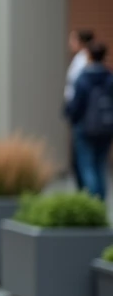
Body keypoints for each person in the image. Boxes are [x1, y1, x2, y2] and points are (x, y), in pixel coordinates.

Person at [66, 41, 113, 200]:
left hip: (84, 127)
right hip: (106, 127)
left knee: (87, 165)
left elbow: (76, 105)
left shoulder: (83, 78)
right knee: (100, 165)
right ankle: (101, 203)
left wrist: (70, 116)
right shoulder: (109, 78)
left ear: (90, 57)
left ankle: (92, 202)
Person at [65, 29, 95, 186]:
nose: (70, 43)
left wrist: (71, 111)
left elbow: (79, 91)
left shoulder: (83, 62)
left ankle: (88, 199)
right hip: (85, 117)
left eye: (72, 40)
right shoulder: (82, 60)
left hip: (82, 117)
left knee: (85, 162)